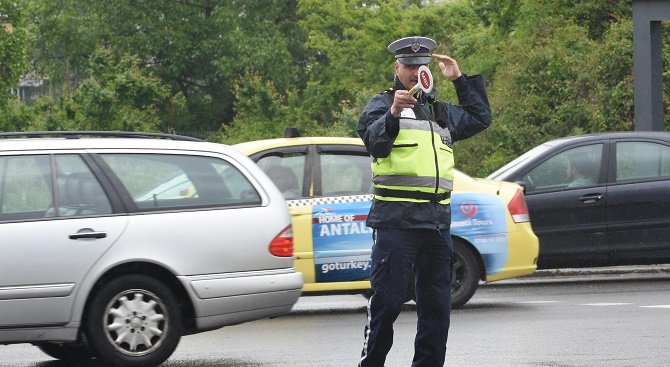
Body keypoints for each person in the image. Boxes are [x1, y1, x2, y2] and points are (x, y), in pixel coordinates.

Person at [356, 36, 492, 367]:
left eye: (422, 67)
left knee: (436, 308)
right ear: (397, 68)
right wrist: (393, 113)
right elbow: (374, 143)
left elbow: (479, 117)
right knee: (386, 304)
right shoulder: (380, 104)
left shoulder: (439, 111)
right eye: (410, 66)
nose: (417, 72)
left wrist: (459, 79)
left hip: (436, 222)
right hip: (396, 222)